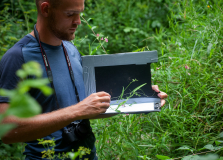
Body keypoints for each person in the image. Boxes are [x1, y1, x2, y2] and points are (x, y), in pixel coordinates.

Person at [0, 0, 168, 159]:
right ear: (46, 9)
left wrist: (138, 98)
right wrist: (77, 111)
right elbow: (6, 131)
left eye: (80, 13)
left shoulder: (70, 50)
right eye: (70, 14)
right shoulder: (18, 57)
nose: (78, 21)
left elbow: (91, 107)